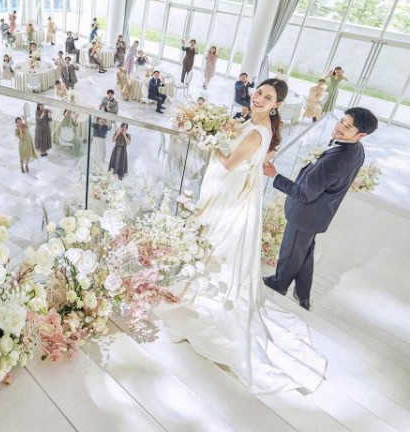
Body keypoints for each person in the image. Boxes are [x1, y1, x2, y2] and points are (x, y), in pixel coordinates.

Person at [156, 78, 327, 394]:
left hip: (229, 200)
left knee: (214, 247)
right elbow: (259, 160)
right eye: (258, 92)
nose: (259, 98)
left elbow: (228, 163)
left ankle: (200, 300)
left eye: (267, 97)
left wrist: (207, 137)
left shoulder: (256, 132)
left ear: (276, 105)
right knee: (212, 247)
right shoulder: (258, 124)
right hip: (234, 195)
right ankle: (194, 290)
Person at [263, 107, 378, 310]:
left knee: (291, 252)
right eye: (342, 121)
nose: (340, 126)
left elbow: (304, 194)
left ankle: (279, 284)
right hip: (320, 214)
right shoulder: (357, 150)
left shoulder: (334, 161)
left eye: (347, 127)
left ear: (361, 135)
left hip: (305, 215)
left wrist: (275, 176)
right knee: (304, 253)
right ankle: (303, 294)